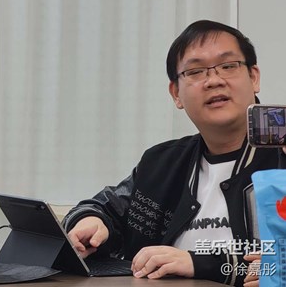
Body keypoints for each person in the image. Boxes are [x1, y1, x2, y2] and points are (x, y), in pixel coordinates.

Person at [62, 20, 285, 286]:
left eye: (228, 66)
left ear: (253, 77)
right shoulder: (162, 163)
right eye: (195, 71)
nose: (214, 80)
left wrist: (198, 263)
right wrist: (92, 221)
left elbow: (273, 266)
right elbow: (104, 207)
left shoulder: (280, 158)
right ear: (176, 93)